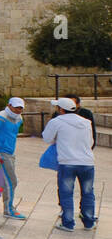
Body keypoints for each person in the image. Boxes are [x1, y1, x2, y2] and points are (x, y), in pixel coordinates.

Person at [43, 97, 97, 231]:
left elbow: (47, 138)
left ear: (61, 109)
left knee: (66, 192)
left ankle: (68, 223)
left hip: (67, 162)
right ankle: (89, 221)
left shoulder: (56, 122)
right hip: (87, 162)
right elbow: (90, 142)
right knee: (88, 191)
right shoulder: (86, 122)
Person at [0, 98, 26, 219]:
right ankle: (9, 209)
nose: (18, 110)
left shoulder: (19, 118)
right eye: (16, 107)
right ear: (9, 105)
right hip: (1, 153)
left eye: (21, 108)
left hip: (9, 152)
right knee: (11, 180)